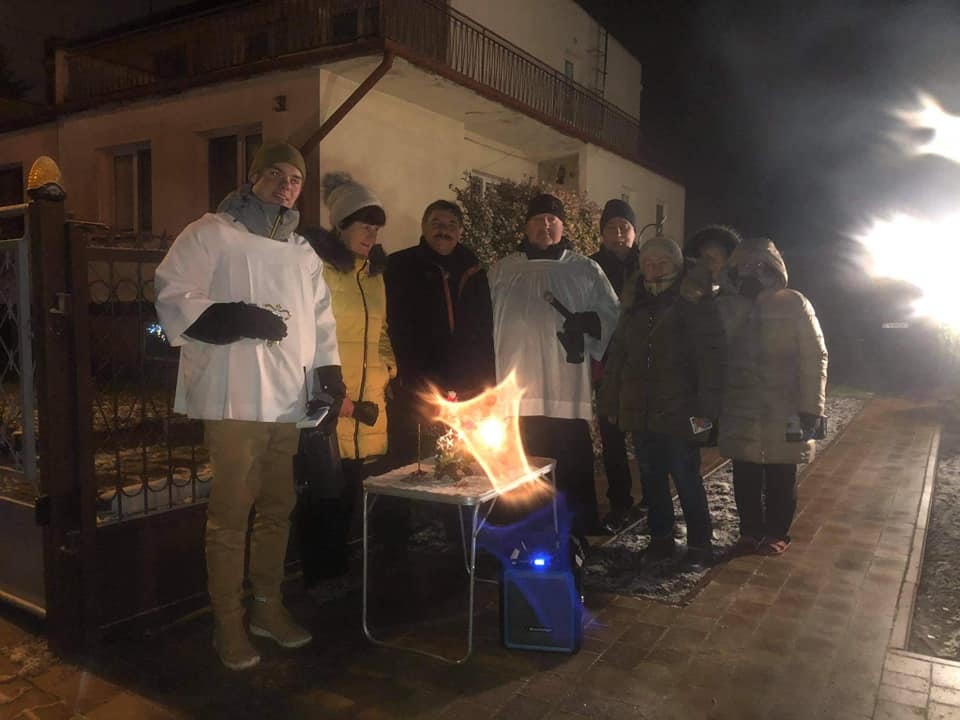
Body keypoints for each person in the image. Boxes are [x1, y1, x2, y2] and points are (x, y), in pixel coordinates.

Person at [154, 142, 343, 670]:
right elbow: (171, 290)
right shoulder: (211, 232)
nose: (287, 185)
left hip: (286, 400)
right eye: (277, 175)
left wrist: (329, 373)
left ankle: (267, 607)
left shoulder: (302, 253)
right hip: (235, 396)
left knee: (278, 508)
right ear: (254, 178)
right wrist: (230, 316)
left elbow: (322, 320)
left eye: (296, 180)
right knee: (231, 515)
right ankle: (227, 624)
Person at [487, 193, 620, 539]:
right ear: (526, 226)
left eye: (552, 220)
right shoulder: (503, 269)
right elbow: (482, 319)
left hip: (565, 385)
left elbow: (611, 312)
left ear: (562, 226)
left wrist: (589, 321)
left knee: (570, 456)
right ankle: (519, 524)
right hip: (516, 385)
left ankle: (578, 523)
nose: (545, 225)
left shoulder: (584, 269)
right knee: (521, 460)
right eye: (538, 219)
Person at [598, 236, 723, 569]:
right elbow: (618, 356)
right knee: (651, 478)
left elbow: (710, 362)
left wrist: (706, 414)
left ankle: (699, 545)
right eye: (647, 263)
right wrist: (610, 402)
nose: (654, 269)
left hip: (682, 411)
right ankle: (661, 539)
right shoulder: (634, 304)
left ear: (677, 264)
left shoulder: (695, 302)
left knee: (686, 477)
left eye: (662, 262)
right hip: (642, 411)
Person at [299, 172, 396, 584]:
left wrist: (390, 368)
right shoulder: (317, 269)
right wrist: (328, 393)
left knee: (351, 492)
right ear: (341, 226)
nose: (371, 236)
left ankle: (339, 569)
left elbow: (382, 332)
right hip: (332, 399)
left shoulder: (373, 276)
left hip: (368, 400)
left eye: (376, 229)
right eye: (364, 227)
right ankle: (319, 576)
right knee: (323, 494)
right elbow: (307, 333)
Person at [717, 237, 828, 556]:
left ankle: (778, 531)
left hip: (789, 405)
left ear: (772, 268)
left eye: (759, 265)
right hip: (741, 403)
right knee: (745, 471)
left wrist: (812, 407)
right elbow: (716, 348)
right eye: (744, 265)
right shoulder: (725, 305)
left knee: (783, 469)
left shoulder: (794, 302)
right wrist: (743, 305)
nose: (752, 272)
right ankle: (749, 530)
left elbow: (815, 355)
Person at [384, 199, 495, 463]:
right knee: (411, 461)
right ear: (423, 227)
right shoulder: (399, 267)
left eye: (451, 225)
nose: (444, 230)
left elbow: (484, 330)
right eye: (437, 223)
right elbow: (386, 325)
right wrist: (397, 375)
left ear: (460, 231)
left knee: (460, 460)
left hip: (466, 388)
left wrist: (487, 383)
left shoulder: (475, 272)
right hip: (415, 386)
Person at [589, 199, 648, 533]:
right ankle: (620, 501)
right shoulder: (591, 266)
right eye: (611, 227)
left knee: (645, 433)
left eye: (624, 227)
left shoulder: (650, 264)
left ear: (634, 232)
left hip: (643, 364)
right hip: (608, 363)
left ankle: (652, 497)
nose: (618, 233)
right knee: (612, 435)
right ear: (602, 234)